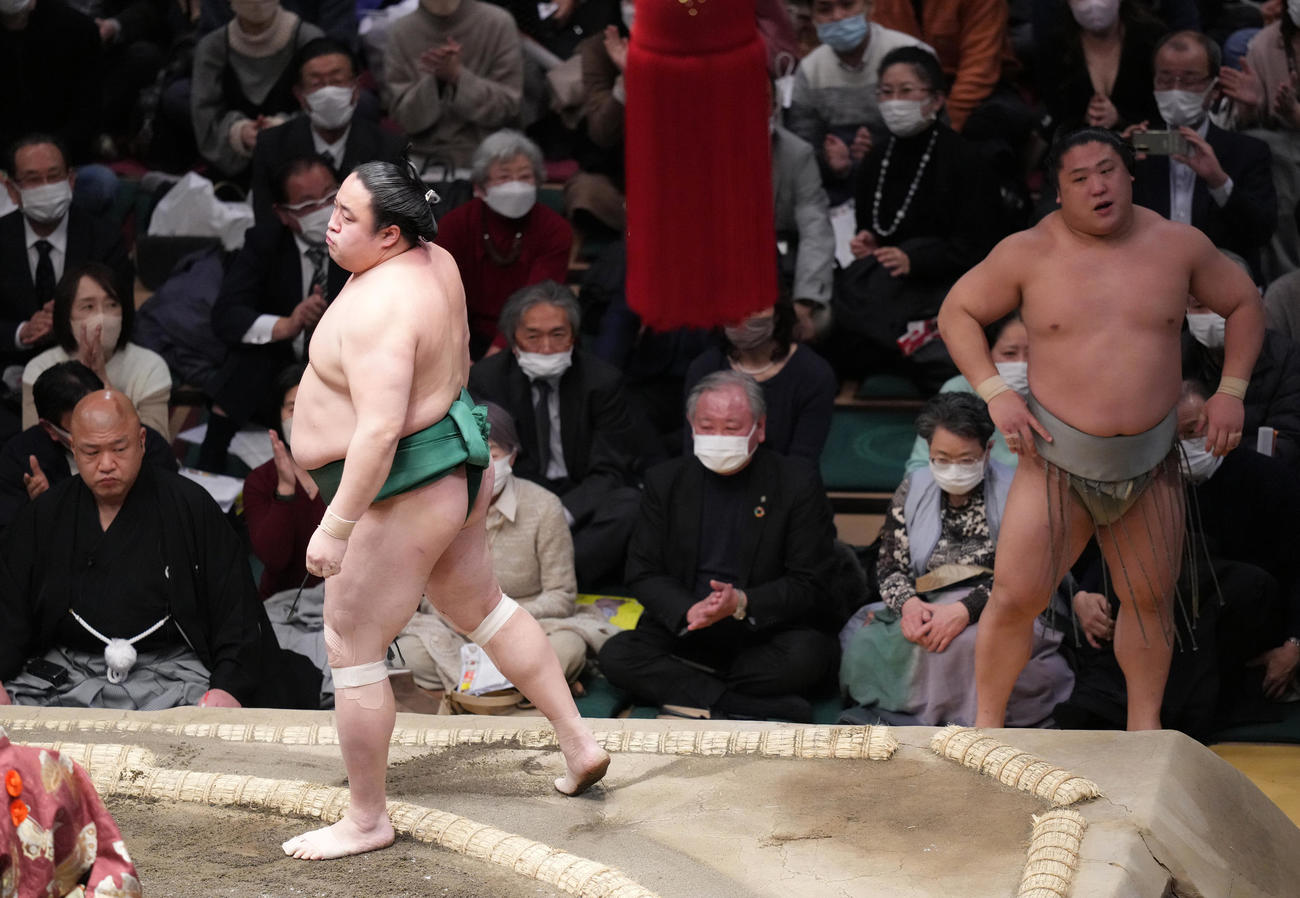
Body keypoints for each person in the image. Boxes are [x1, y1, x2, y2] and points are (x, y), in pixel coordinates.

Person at [282, 160, 607, 861]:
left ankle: (367, 819)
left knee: (351, 644)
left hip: (399, 485)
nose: (330, 224)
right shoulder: (438, 260)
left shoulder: (378, 309)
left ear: (391, 234)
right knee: (482, 608)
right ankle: (579, 743)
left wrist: (336, 525)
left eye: (345, 216)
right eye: (333, 208)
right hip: (459, 463)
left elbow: (375, 431)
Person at [936, 126, 1265, 730]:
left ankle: (1144, 732)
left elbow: (1245, 304)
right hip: (1055, 460)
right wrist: (995, 392)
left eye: (1107, 170)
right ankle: (986, 728)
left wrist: (1232, 393)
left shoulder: (1178, 245)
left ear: (1130, 174)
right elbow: (955, 311)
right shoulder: (1027, 253)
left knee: (1148, 602)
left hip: (1151, 462)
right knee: (1014, 598)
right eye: (1079, 178)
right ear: (1058, 192)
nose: (1098, 186)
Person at [0, 390, 317, 710]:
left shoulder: (190, 507)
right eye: (91, 452)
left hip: (172, 673)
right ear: (73, 449)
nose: (106, 464)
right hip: (67, 673)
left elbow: (236, 612)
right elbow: (9, 609)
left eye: (119, 448)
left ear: (141, 441)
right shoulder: (46, 515)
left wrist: (227, 688)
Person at [598, 370, 841, 722]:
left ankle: (693, 692)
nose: (718, 437)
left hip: (762, 632)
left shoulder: (796, 482)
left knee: (809, 656)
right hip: (688, 630)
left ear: (760, 427)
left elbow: (810, 581)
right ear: (690, 425)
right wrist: (689, 610)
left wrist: (740, 602)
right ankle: (745, 706)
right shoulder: (666, 481)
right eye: (707, 426)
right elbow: (643, 571)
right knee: (618, 655)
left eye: (731, 428)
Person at [840, 392, 1074, 726]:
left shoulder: (1020, 491)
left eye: (966, 460)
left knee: (969, 646)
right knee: (863, 639)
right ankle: (901, 715)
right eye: (942, 458)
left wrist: (964, 610)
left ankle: (976, 725)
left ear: (988, 450)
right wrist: (909, 607)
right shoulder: (914, 487)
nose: (953, 469)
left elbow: (1027, 575)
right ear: (929, 452)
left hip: (1004, 605)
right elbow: (890, 566)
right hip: (927, 598)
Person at [395, 401, 605, 692]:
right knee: (408, 652)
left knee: (567, 648)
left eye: (492, 454)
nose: (481, 464)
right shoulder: (439, 506)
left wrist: (501, 620)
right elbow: (429, 593)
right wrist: (464, 621)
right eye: (469, 455)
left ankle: (485, 686)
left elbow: (561, 595)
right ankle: (522, 688)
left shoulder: (544, 506)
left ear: (512, 457)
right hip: (457, 630)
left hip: (528, 625)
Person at [833, 47, 998, 388]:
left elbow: (981, 246)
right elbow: (876, 226)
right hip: (892, 283)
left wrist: (915, 258)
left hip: (949, 280)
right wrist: (870, 242)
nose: (895, 102)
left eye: (906, 91)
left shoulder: (966, 159)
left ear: (936, 100)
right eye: (886, 92)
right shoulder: (876, 159)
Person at [467, 280, 644, 588]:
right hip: (519, 497)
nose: (546, 348)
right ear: (513, 339)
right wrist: (538, 510)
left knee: (629, 505)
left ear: (574, 336)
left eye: (557, 335)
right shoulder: (488, 379)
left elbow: (611, 466)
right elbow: (494, 454)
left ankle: (544, 580)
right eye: (533, 336)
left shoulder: (602, 382)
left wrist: (561, 512)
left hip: (581, 500)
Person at [201, 154, 347, 471]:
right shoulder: (263, 243)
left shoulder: (360, 237)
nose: (324, 209)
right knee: (245, 362)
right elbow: (226, 315)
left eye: (331, 197)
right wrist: (288, 324)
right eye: (308, 205)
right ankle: (208, 472)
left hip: (344, 363)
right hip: (281, 368)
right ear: (283, 213)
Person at [1129, 31, 1277, 276]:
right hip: (1147, 278)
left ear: (1215, 89)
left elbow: (1260, 233)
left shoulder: (1247, 152)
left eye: (1189, 80)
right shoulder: (1136, 148)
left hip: (1221, 281)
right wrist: (1119, 168)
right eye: (1165, 80)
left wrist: (1219, 182)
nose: (1175, 90)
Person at [434, 130, 572, 357]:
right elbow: (441, 296)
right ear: (480, 187)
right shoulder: (456, 224)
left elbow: (537, 298)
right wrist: (457, 354)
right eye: (504, 177)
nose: (515, 187)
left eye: (525, 177)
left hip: (530, 334)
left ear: (538, 182)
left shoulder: (554, 229)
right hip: (461, 334)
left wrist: (494, 360)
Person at [0, 136, 134, 367]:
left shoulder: (104, 238)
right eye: (33, 179)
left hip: (88, 365)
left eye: (54, 177)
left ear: (71, 180)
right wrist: (22, 332)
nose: (46, 186)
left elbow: (123, 313)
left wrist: (69, 318)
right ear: (12, 190)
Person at [0, 361, 175, 531]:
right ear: (50, 429)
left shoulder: (142, 441)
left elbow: (167, 515)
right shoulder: (19, 459)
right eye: (83, 431)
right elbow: (11, 541)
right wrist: (41, 511)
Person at [249, 37, 406, 224]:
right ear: (300, 95)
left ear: (356, 89)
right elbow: (266, 223)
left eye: (337, 81)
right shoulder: (272, 145)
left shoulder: (388, 148)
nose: (328, 93)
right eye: (316, 84)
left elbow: (394, 223)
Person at [783, 0, 929, 201]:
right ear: (813, 18)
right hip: (839, 195)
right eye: (825, 9)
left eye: (847, 4)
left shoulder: (912, 55)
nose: (837, 16)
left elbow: (934, 136)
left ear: (869, 7)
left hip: (908, 183)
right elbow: (802, 150)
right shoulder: (810, 71)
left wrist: (878, 154)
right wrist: (830, 165)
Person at [21, 262, 172, 437]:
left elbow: (157, 445)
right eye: (88, 307)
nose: (102, 317)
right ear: (66, 316)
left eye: (112, 305)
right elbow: (33, 445)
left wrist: (104, 385)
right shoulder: (40, 368)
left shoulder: (150, 366)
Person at [683, 299, 837, 461]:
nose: (743, 316)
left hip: (787, 482)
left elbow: (804, 460)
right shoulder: (704, 367)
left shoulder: (813, 373)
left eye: (757, 305)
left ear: (778, 312)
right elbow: (692, 451)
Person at [382, 0, 524, 171]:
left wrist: (458, 77)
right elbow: (403, 117)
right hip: (422, 156)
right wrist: (436, 81)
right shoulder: (401, 31)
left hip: (491, 155)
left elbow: (508, 106)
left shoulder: (498, 23)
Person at [190, 0, 324, 178]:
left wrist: (284, 128)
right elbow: (204, 118)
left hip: (304, 167)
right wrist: (238, 133)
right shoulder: (211, 48)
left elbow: (326, 110)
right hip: (232, 170)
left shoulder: (310, 40)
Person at [1182, 290, 1300, 469]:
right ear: (1185, 309)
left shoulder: (1286, 357)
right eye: (1199, 306)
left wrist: (1219, 460)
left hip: (1263, 477)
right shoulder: (1175, 357)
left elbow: (1288, 437)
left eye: (1225, 306)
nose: (1213, 314)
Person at [904, 312, 1027, 472]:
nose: (1021, 363)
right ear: (986, 354)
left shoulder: (1056, 397)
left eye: (1031, 354)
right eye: (1009, 353)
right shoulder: (959, 389)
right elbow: (919, 466)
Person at [242, 363, 325, 598]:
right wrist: (286, 489)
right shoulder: (260, 481)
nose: (301, 417)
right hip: (284, 606)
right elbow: (274, 560)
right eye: (292, 408)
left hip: (345, 604)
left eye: (312, 407)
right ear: (278, 415)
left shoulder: (350, 470)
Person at [1035, 0, 1164, 135]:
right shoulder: (1053, 48)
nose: (1093, 4)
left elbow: (1165, 133)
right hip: (1077, 148)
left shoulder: (1152, 40)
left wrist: (1123, 121)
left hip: (1144, 148)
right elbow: (1054, 116)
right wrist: (1082, 121)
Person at [0, 0, 102, 166]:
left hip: (64, 159)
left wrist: (49, 155)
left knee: (99, 181)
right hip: (5, 162)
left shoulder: (77, 30)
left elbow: (87, 112)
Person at [771, 82, 836, 332]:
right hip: (723, 263)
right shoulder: (705, 151)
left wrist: (806, 299)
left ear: (775, 107)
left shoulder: (797, 153)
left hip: (783, 256)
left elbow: (815, 226)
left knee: (817, 319)